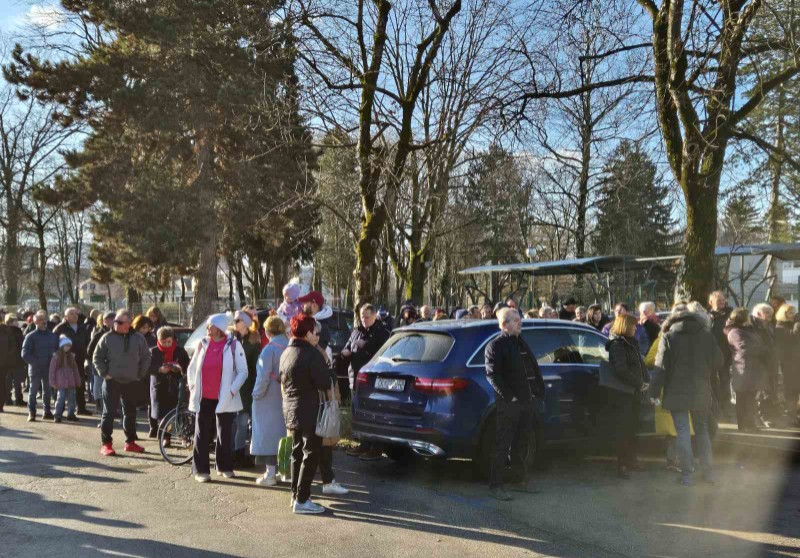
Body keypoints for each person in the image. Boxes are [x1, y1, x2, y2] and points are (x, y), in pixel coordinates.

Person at [649, 303, 722, 486]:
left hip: (676, 391)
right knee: (702, 431)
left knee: (682, 433)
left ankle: (687, 475)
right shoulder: (707, 336)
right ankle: (708, 473)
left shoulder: (668, 337)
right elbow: (719, 361)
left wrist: (654, 392)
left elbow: (660, 368)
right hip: (701, 390)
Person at [484, 307, 545, 501]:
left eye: (520, 319)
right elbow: (493, 375)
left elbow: (530, 369)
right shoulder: (495, 346)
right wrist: (510, 397)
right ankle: (496, 485)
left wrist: (535, 393)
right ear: (504, 324)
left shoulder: (520, 342)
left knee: (522, 441)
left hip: (527, 401)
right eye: (515, 320)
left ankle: (519, 480)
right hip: (510, 404)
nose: (520, 323)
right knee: (503, 444)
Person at [187, 313, 248, 482]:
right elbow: (191, 369)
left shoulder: (234, 345)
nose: (207, 328)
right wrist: (193, 386)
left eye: (210, 325)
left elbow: (243, 372)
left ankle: (224, 466)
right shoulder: (203, 343)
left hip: (225, 397)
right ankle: (201, 471)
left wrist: (231, 391)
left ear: (219, 328)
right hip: (203, 396)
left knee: (225, 433)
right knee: (201, 433)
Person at [281, 314, 332, 514]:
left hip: (291, 408)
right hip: (309, 409)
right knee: (310, 453)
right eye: (314, 331)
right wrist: (329, 368)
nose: (316, 335)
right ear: (308, 332)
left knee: (297, 451)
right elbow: (324, 382)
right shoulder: (311, 354)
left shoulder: (287, 352)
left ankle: (296, 495)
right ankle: (302, 499)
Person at [93, 310, 152, 456]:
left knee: (130, 413)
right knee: (109, 413)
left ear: (128, 323)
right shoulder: (107, 337)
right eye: (115, 321)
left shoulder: (138, 338)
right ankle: (106, 444)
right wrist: (104, 373)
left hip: (131, 381)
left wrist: (140, 374)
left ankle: (130, 442)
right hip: (112, 381)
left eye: (119, 322)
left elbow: (146, 357)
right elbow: (97, 357)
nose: (115, 324)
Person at [343, 304, 391, 460]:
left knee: (373, 414)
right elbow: (348, 347)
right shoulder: (356, 331)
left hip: (372, 380)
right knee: (357, 412)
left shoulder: (382, 333)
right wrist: (346, 354)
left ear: (375, 316)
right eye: (362, 316)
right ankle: (363, 444)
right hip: (355, 378)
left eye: (367, 316)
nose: (364, 319)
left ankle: (376, 447)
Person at [604, 315, 649, 479]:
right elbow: (621, 370)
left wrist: (646, 380)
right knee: (623, 428)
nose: (636, 328)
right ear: (625, 326)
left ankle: (632, 460)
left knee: (633, 427)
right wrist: (639, 383)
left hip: (635, 392)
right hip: (623, 393)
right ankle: (622, 464)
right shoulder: (617, 344)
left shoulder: (632, 342)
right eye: (633, 325)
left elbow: (639, 364)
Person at [252, 316, 289, 486]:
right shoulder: (289, 346)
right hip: (287, 396)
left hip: (269, 398)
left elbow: (263, 377)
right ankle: (284, 472)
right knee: (283, 435)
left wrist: (256, 395)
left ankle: (270, 474)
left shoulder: (269, 350)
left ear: (267, 331)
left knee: (267, 436)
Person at [726, 308, 769, 432]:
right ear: (743, 317)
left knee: (750, 399)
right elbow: (744, 348)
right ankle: (744, 425)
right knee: (743, 399)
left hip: (751, 369)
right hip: (743, 369)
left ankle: (750, 424)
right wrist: (762, 350)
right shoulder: (735, 331)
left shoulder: (745, 330)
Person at [231, 309, 262, 467]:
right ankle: (234, 453)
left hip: (246, 388)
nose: (235, 323)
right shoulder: (231, 339)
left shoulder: (253, 341)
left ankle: (240, 454)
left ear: (246, 323)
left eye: (238, 320)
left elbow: (255, 367)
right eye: (235, 320)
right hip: (231, 387)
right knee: (234, 423)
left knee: (242, 422)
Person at [148, 326, 190, 437]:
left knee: (177, 412)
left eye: (169, 342)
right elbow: (146, 368)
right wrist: (159, 369)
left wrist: (179, 369)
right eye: (163, 342)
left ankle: (181, 435)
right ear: (158, 340)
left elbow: (188, 366)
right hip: (159, 386)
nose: (166, 344)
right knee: (162, 414)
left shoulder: (180, 351)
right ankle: (165, 436)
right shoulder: (153, 352)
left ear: (173, 340)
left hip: (176, 386)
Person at [21, 311, 59, 421]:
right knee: (33, 391)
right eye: (41, 319)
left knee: (47, 391)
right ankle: (32, 412)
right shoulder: (30, 336)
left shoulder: (52, 336)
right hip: (35, 369)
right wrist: (35, 362)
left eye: (45, 319)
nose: (44, 322)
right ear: (35, 321)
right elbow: (24, 354)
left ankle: (47, 411)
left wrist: (55, 361)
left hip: (49, 369)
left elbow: (57, 350)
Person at [53, 307, 92, 416]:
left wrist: (86, 353)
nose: (75, 316)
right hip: (65, 361)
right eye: (71, 314)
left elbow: (87, 341)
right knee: (63, 385)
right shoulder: (59, 329)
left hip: (79, 360)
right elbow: (54, 344)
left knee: (80, 383)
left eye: (76, 313)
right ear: (65, 317)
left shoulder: (82, 327)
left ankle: (81, 407)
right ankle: (60, 409)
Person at [752, 303, 779, 424]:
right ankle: (763, 416)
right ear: (759, 314)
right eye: (767, 313)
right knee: (762, 391)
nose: (770, 315)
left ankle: (767, 415)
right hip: (760, 363)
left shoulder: (769, 326)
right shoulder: (753, 326)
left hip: (771, 362)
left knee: (769, 391)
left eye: (771, 313)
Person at [708, 291, 733, 415]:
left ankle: (726, 406)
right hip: (711, 354)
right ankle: (715, 406)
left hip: (726, 353)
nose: (722, 303)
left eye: (723, 300)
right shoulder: (708, 316)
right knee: (712, 380)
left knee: (724, 380)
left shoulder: (730, 314)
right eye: (718, 301)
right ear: (711, 302)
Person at [774, 304, 799, 424]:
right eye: (790, 312)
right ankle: (791, 415)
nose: (793, 314)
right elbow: (792, 336)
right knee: (791, 389)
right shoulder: (779, 327)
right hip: (790, 364)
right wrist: (797, 325)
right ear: (783, 314)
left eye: (794, 312)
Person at [49, 335, 82, 423]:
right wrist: (52, 382)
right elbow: (52, 370)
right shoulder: (56, 356)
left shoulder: (71, 357)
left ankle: (71, 414)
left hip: (71, 381)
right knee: (60, 398)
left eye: (69, 346)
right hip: (60, 382)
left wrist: (78, 380)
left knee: (72, 399)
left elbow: (75, 370)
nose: (67, 347)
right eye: (66, 345)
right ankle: (57, 415)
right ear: (62, 346)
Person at [87, 311, 115, 418]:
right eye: (110, 319)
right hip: (99, 364)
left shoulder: (118, 334)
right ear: (105, 321)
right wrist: (97, 360)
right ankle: (99, 407)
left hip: (112, 365)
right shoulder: (99, 334)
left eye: (114, 318)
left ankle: (110, 408)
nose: (112, 321)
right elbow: (90, 350)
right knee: (98, 385)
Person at [5, 314, 26, 407]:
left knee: (8, 381)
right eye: (15, 321)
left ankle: (8, 399)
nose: (17, 323)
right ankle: (18, 399)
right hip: (16, 360)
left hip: (7, 361)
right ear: (10, 322)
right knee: (16, 382)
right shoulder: (18, 332)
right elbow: (22, 345)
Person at [0, 317, 13, 413]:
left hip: (4, 363)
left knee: (2, 384)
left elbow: (13, 347)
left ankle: (0, 405)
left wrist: (6, 358)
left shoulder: (6, 331)